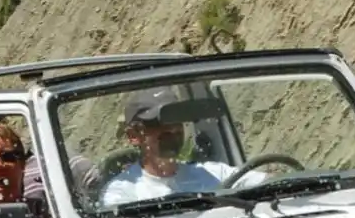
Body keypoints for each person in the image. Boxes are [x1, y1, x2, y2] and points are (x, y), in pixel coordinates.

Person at [100, 88, 253, 205]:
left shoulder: (216, 173)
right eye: (159, 123)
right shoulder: (122, 193)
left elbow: (266, 184)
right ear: (134, 135)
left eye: (176, 119)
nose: (172, 129)